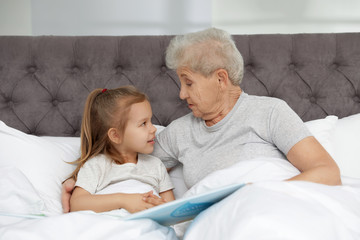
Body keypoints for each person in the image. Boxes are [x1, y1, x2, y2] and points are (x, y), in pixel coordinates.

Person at [62, 28, 341, 212]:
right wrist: (75, 182)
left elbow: (327, 173)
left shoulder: (270, 112)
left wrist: (255, 193)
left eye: (188, 83)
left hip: (270, 210)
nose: (182, 94)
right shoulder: (179, 132)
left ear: (220, 78)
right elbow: (124, 156)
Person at [67, 86, 175, 213]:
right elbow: (77, 204)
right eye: (143, 123)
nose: (153, 129)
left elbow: (172, 211)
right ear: (116, 135)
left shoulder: (156, 165)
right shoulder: (97, 165)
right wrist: (123, 200)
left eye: (150, 121)